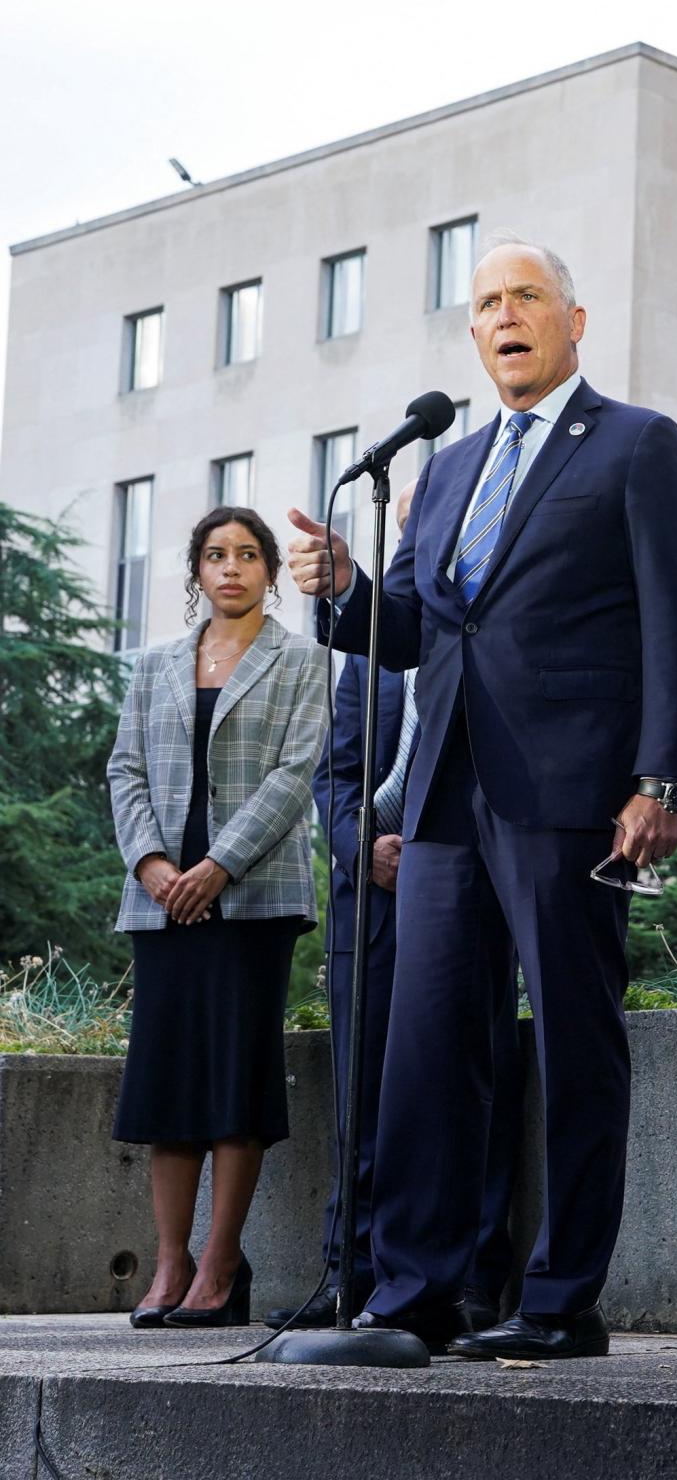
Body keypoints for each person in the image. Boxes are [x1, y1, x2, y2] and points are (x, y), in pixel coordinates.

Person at [285, 235, 677, 1358]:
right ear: (471, 335)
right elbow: (421, 631)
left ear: (576, 321)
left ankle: (559, 1298)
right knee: (425, 1046)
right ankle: (418, 1290)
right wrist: (346, 591)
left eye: (527, 296)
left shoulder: (637, 444)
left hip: (573, 790)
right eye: (486, 304)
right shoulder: (449, 468)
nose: (506, 315)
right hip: (441, 796)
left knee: (572, 1043)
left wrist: (661, 778)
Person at [264, 483, 522, 1333]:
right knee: (362, 1087)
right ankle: (351, 1272)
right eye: (412, 519)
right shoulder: (369, 648)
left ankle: (474, 1275)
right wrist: (361, 851)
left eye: (432, 518)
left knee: (461, 1070)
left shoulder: (486, 634)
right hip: (369, 897)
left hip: (460, 879)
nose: (420, 531)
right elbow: (334, 776)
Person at [108, 507, 328, 1328]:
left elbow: (294, 773)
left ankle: (223, 1265)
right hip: (162, 902)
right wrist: (157, 866)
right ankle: (171, 1264)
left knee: (234, 1080)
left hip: (251, 899)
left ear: (270, 571)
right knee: (166, 1083)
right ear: (195, 572)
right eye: (213, 555)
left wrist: (217, 865)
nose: (229, 567)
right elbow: (124, 770)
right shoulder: (155, 665)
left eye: (245, 555)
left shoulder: (302, 661)